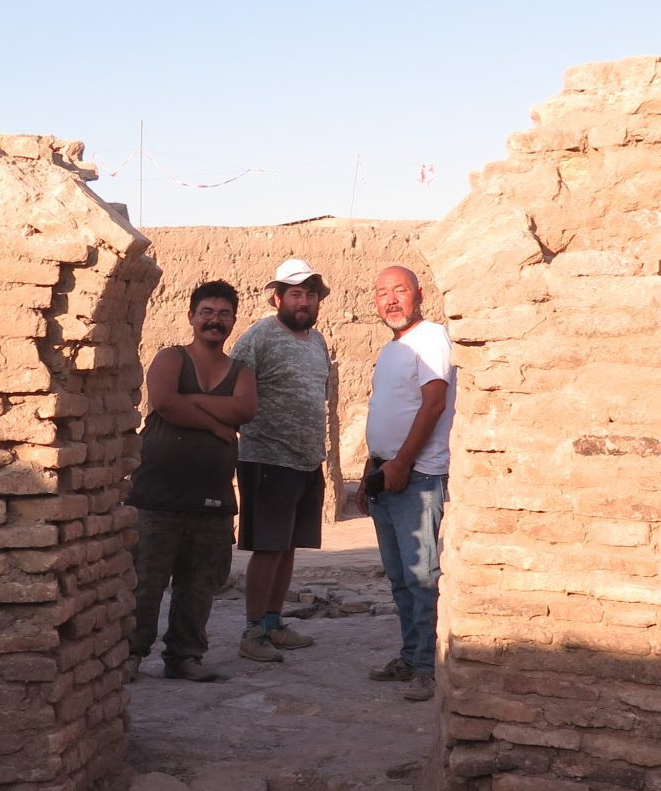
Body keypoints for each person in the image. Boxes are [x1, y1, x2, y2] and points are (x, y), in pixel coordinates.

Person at [125, 280, 257, 681]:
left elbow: (246, 409)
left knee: (199, 586)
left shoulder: (240, 371)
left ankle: (184, 657)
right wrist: (218, 426)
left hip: (212, 500)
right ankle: (129, 654)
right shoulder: (171, 358)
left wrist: (193, 402)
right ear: (191, 317)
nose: (214, 321)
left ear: (233, 321)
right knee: (144, 584)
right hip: (156, 497)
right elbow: (163, 402)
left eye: (223, 315)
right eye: (207, 313)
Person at [356, 265, 455, 702]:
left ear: (419, 294)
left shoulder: (431, 337)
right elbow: (387, 414)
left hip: (417, 475)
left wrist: (402, 463)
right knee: (399, 578)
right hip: (388, 473)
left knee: (421, 577)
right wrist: (370, 472)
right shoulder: (392, 349)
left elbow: (434, 404)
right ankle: (412, 654)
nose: (391, 300)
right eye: (382, 293)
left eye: (399, 291)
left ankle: (428, 668)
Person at [227, 258, 333, 663]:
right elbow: (232, 387)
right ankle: (252, 630)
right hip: (268, 457)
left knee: (289, 547)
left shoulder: (318, 341)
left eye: (310, 294)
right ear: (278, 298)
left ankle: (274, 623)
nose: (303, 301)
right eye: (295, 294)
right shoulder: (259, 336)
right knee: (269, 548)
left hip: (307, 461)